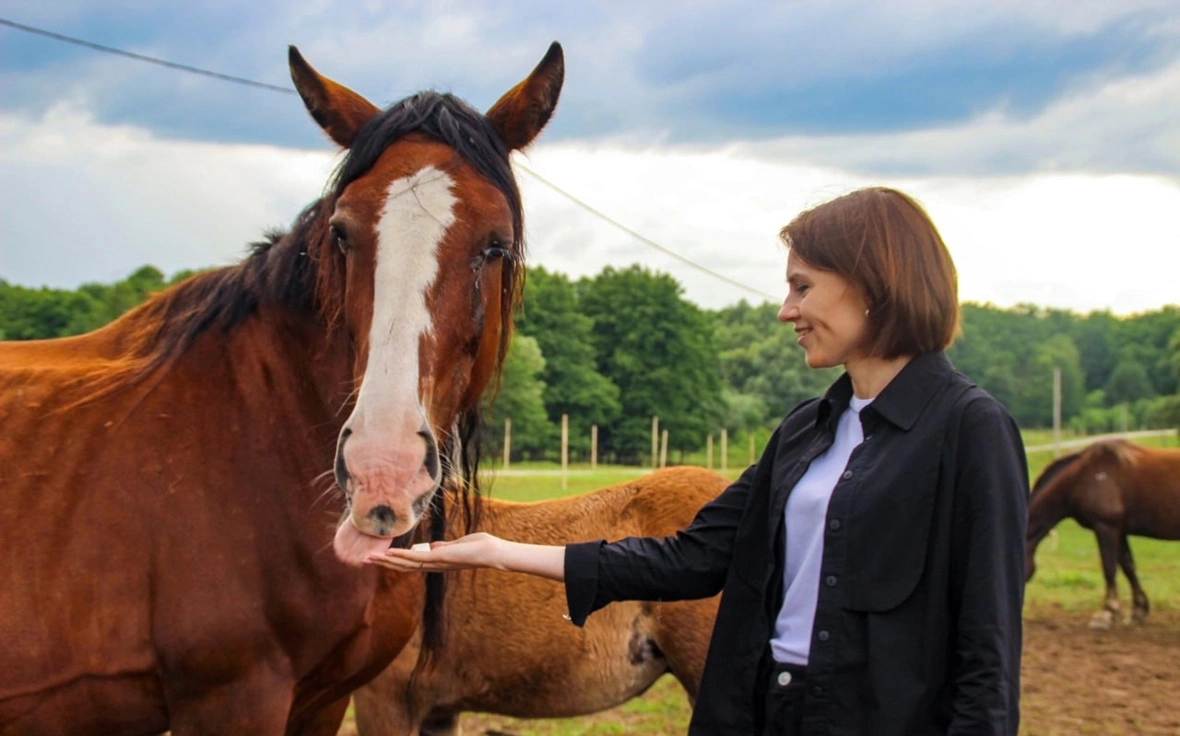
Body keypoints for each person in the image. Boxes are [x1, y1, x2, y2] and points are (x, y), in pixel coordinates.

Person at [367, 186, 1029, 736]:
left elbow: (987, 652)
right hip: (771, 709)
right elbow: (689, 557)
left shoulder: (970, 430)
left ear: (871, 286)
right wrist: (498, 551)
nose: (787, 311)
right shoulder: (806, 431)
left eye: (802, 287)